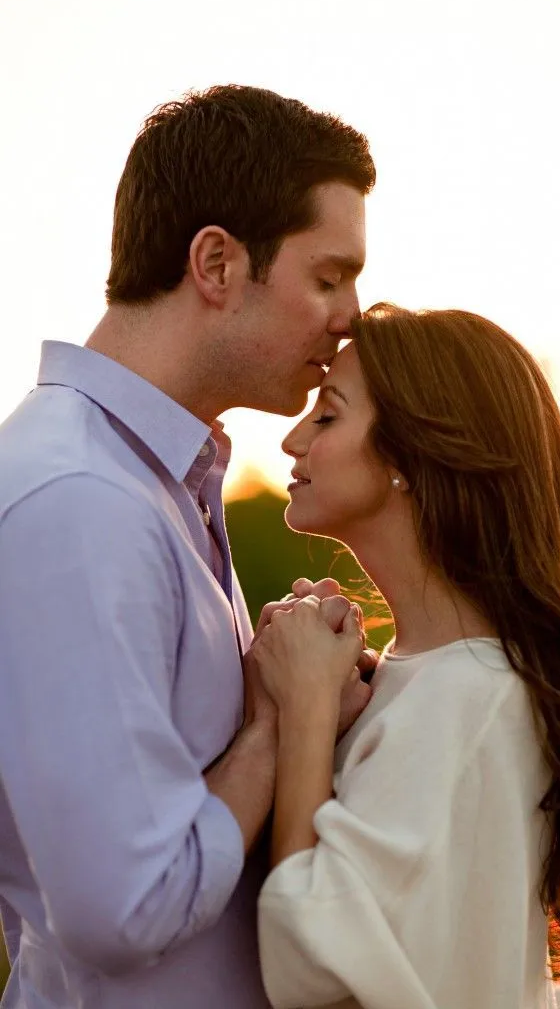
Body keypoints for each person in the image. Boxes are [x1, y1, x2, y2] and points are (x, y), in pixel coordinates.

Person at [0, 85, 376, 1008]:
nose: (350, 315)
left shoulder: (155, 485)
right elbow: (124, 908)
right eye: (328, 277)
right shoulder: (82, 501)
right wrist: (278, 724)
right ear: (216, 262)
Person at [249, 304, 560, 1009]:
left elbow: (313, 967)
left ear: (410, 459)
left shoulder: (468, 694)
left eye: (327, 417)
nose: (293, 439)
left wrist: (304, 707)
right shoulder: (432, 680)